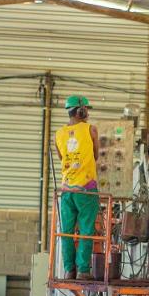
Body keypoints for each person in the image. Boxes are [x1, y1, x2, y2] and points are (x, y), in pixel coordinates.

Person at [55, 95, 99, 280]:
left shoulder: (59, 133)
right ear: (82, 111)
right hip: (86, 189)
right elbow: (96, 155)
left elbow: (61, 157)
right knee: (86, 230)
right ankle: (82, 270)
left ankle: (68, 270)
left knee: (66, 230)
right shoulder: (91, 129)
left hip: (66, 190)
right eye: (86, 109)